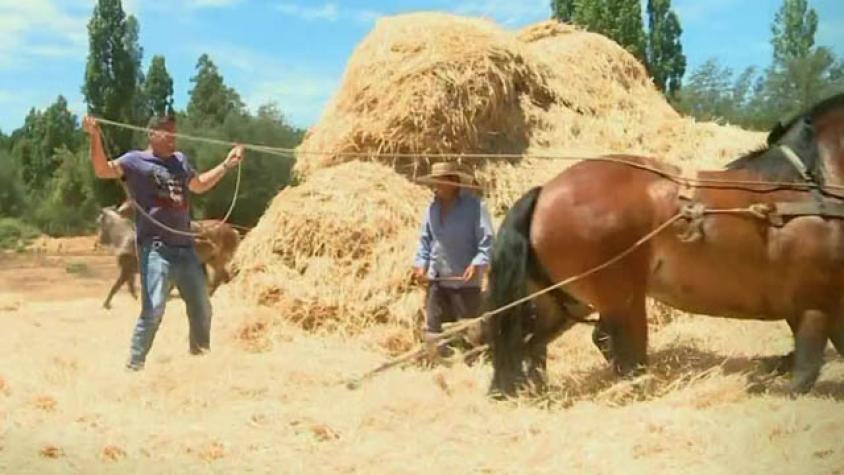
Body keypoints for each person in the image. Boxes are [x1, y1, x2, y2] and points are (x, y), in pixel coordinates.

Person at [82, 114, 244, 371]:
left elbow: (199, 185)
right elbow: (102, 169)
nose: (173, 138)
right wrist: (94, 137)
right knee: (154, 309)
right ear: (152, 134)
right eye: (167, 133)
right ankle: (134, 365)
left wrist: (227, 164)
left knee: (202, 308)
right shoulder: (135, 160)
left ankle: (200, 361)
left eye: (174, 133)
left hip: (186, 250)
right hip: (156, 249)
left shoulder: (179, 161)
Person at [412, 162, 494, 354]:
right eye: (434, 182)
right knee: (435, 331)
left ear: (454, 183)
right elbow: (425, 241)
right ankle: (440, 367)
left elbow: (487, 241)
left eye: (440, 181)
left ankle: (469, 368)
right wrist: (420, 265)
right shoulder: (432, 209)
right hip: (437, 279)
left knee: (468, 335)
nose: (435, 186)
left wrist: (476, 264)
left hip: (464, 283)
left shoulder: (475, 208)